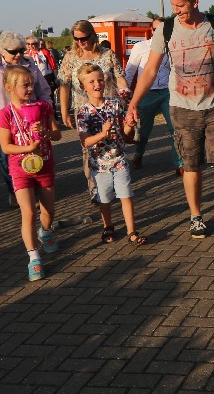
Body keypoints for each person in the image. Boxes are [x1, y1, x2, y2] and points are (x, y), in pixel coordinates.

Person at [128, 0, 214, 240]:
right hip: (182, 109)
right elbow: (150, 70)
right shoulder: (166, 29)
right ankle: (196, 217)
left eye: (181, 6)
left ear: (195, 1)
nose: (177, 11)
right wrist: (133, 103)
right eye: (173, 6)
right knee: (191, 166)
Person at [0, 65, 61, 281]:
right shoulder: (5, 114)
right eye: (25, 85)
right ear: (9, 87)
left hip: (45, 165)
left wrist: (46, 133)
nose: (30, 89)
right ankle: (34, 258)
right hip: (20, 169)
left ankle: (46, 232)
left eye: (31, 84)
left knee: (49, 210)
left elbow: (58, 134)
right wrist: (27, 148)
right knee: (29, 213)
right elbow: (6, 146)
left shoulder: (43, 107)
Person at [0, 31, 52, 206]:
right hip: (4, 124)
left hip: (31, 122)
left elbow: (44, 91)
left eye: (21, 50)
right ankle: (15, 190)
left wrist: (47, 116)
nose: (18, 55)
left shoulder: (30, 65)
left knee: (35, 153)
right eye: (13, 51)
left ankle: (34, 190)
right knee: (6, 158)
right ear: (1, 51)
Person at [58, 19, 131, 198]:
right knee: (89, 148)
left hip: (109, 108)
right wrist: (64, 111)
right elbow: (64, 85)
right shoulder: (70, 57)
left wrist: (124, 90)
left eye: (83, 38)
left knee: (113, 143)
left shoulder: (107, 54)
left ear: (92, 35)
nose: (80, 42)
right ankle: (95, 186)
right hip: (84, 110)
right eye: (76, 39)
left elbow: (119, 76)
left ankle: (116, 180)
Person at [75, 64, 144, 246]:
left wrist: (130, 124)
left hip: (119, 160)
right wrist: (102, 133)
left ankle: (132, 231)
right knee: (104, 197)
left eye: (100, 80)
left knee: (126, 195)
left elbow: (125, 135)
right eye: (91, 82)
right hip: (99, 165)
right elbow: (85, 141)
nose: (97, 84)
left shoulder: (115, 104)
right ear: (83, 86)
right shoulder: (83, 112)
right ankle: (108, 226)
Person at [123, 17, 182, 171]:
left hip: (167, 92)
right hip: (147, 93)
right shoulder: (141, 47)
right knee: (144, 129)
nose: (159, 32)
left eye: (162, 29)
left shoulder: (172, 46)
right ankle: (139, 154)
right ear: (151, 30)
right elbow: (130, 71)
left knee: (175, 128)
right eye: (156, 29)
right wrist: (125, 94)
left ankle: (179, 163)